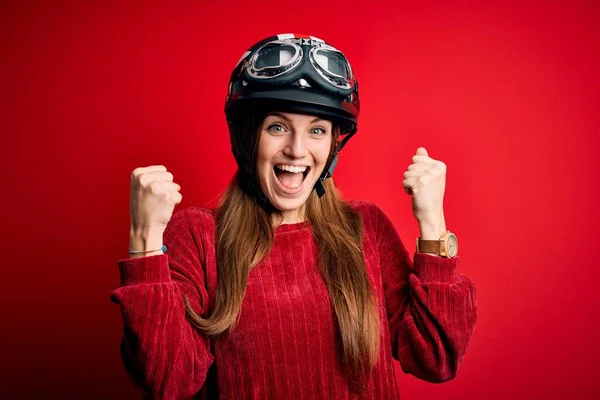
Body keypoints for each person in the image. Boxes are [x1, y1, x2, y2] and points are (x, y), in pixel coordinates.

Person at [110, 33, 478, 400]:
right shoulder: (198, 235)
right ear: (248, 136)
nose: (297, 150)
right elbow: (167, 381)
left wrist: (432, 222)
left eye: (316, 130)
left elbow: (436, 359)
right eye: (278, 126)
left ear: (334, 144)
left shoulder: (365, 228)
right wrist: (145, 242)